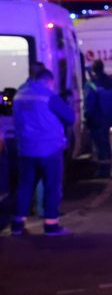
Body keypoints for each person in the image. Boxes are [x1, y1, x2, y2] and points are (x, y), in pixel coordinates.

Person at [10, 68, 75, 236]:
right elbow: (70, 117)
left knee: (24, 187)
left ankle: (18, 224)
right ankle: (51, 225)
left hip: (25, 148)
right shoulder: (48, 95)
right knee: (51, 186)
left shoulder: (19, 94)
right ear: (47, 80)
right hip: (49, 149)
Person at [83, 61, 112, 178]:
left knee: (99, 146)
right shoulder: (110, 81)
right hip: (109, 117)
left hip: (96, 118)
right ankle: (107, 169)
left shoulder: (92, 84)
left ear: (94, 70)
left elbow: (89, 103)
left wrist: (86, 116)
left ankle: (102, 171)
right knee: (105, 143)